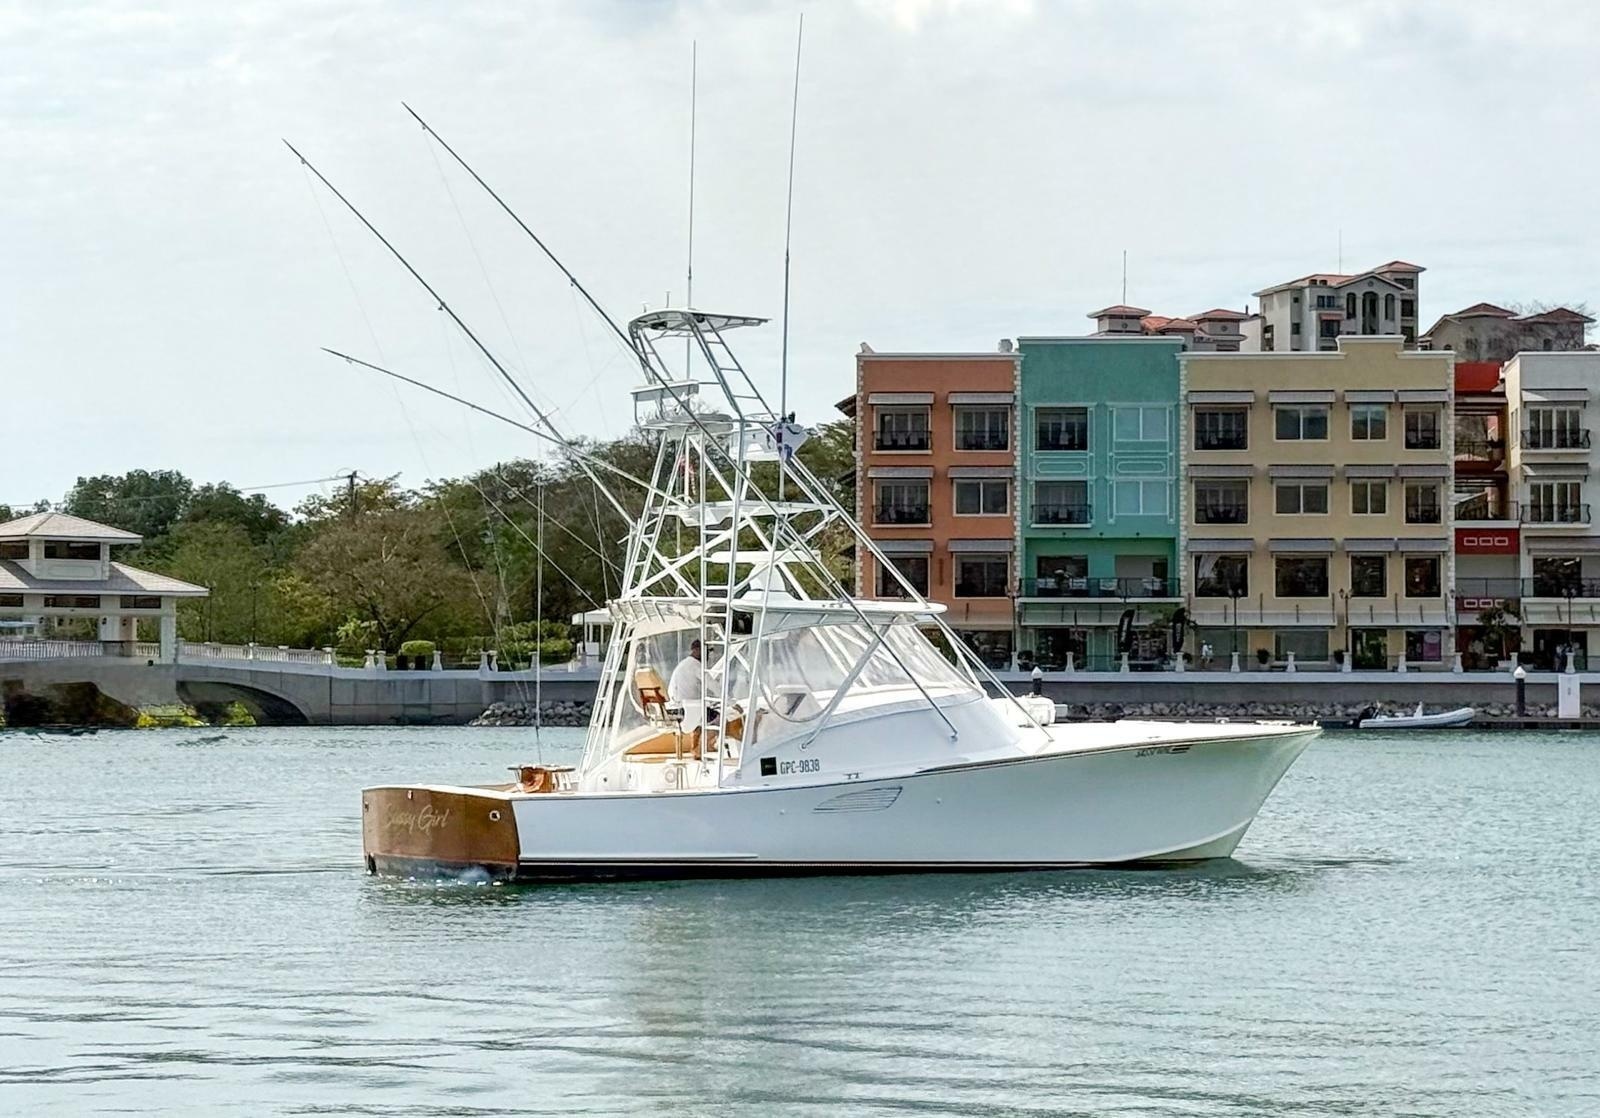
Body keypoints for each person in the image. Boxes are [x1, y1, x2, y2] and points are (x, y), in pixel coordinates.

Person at [669, 638, 704, 705]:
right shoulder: (694, 665)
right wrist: (726, 699)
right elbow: (711, 684)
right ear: (696, 650)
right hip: (686, 706)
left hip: (676, 703)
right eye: (704, 651)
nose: (706, 654)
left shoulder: (684, 663)